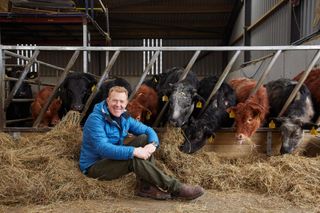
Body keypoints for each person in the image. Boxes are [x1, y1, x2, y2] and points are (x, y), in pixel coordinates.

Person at [79, 86, 204, 200]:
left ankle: (146, 187)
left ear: (126, 103)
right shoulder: (95, 119)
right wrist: (134, 151)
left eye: (122, 101)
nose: (118, 105)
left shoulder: (124, 117)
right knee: (133, 159)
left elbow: (147, 130)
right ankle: (176, 188)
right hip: (95, 166)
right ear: (108, 101)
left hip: (113, 158)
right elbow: (103, 148)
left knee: (144, 138)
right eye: (114, 101)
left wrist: (153, 145)